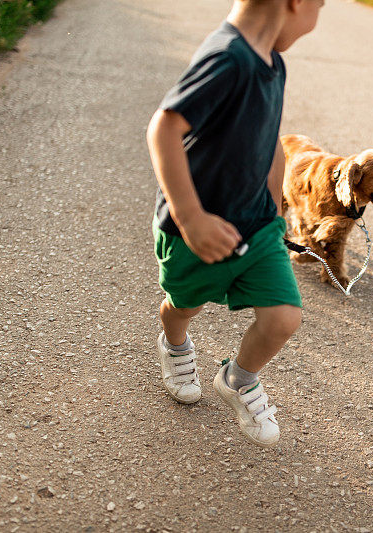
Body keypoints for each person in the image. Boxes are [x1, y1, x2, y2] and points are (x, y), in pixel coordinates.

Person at [146, 0, 324, 447]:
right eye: (320, 5)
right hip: (196, 229)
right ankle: (176, 342)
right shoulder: (228, 59)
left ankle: (239, 379)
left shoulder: (273, 63)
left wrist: (277, 212)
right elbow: (164, 128)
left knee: (284, 317)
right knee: (185, 304)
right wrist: (191, 218)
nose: (317, 19)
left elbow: (272, 141)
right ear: (296, 2)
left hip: (258, 224)